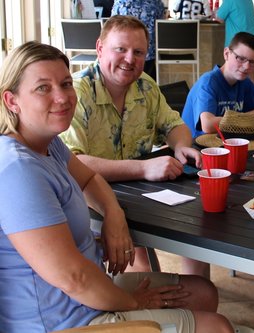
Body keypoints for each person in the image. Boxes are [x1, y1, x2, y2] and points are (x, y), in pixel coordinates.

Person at [0, 40, 234, 333]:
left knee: (203, 292)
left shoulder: (48, 143)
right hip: (65, 321)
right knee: (218, 327)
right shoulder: (17, 170)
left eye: (65, 83)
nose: (62, 97)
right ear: (12, 101)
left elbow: (89, 178)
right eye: (43, 88)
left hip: (88, 293)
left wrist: (113, 214)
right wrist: (134, 302)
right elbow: (74, 278)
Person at [59, 16, 202, 273]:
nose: (130, 59)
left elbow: (174, 125)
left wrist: (180, 145)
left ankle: (190, 308)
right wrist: (144, 169)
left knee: (199, 230)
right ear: (100, 48)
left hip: (139, 193)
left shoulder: (146, 86)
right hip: (88, 198)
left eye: (138, 52)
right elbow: (73, 163)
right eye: (120, 49)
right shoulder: (77, 93)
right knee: (141, 267)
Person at [182, 32, 254, 139]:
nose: (246, 66)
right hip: (199, 146)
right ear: (226, 54)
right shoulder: (208, 83)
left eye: (253, 62)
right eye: (241, 58)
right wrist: (250, 119)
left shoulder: (244, 81)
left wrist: (247, 119)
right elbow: (207, 124)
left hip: (228, 141)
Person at [111, 0, 165, 81]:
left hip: (123, 53)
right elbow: (161, 27)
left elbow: (112, 27)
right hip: (147, 53)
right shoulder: (156, 3)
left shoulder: (120, 2)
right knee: (148, 84)